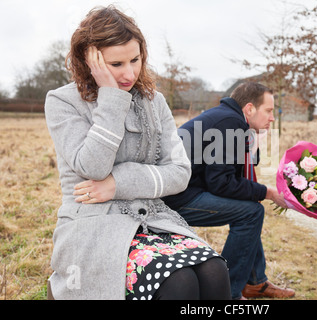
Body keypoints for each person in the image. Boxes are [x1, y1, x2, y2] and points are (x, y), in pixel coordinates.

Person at [45, 5, 230, 300]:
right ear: (89, 61)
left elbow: (180, 172)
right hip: (95, 225)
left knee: (214, 270)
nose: (129, 73)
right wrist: (112, 98)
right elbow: (91, 167)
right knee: (178, 282)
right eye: (115, 64)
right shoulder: (63, 102)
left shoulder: (154, 101)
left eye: (135, 59)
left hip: (154, 219)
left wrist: (118, 184)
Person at [162, 82, 295, 300]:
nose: (272, 118)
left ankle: (255, 282)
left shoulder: (227, 118)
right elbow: (222, 183)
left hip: (186, 188)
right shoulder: (230, 123)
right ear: (250, 108)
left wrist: (254, 141)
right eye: (269, 111)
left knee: (247, 209)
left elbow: (233, 171)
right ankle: (228, 293)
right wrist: (268, 192)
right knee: (250, 212)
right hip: (175, 198)